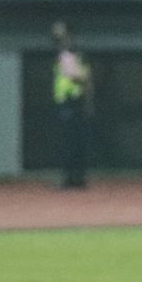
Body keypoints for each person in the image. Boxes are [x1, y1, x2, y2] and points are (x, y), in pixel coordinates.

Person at [51, 21, 93, 189]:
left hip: (71, 101)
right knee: (74, 142)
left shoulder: (69, 54)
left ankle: (72, 178)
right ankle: (76, 177)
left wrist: (73, 73)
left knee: (70, 142)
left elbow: (81, 77)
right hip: (72, 102)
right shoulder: (72, 54)